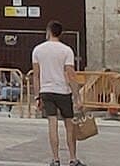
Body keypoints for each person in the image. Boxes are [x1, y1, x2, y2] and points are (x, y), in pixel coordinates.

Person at [31, 19, 80, 166]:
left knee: (52, 124)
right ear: (61, 33)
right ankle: (72, 158)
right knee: (69, 125)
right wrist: (77, 95)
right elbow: (70, 74)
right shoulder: (66, 50)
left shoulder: (38, 50)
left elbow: (36, 74)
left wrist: (36, 95)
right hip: (63, 91)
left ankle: (55, 158)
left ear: (48, 31)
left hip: (46, 90)